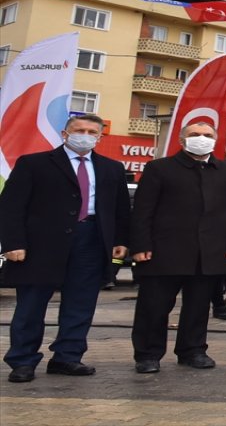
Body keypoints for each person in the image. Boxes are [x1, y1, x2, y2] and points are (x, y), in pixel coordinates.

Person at [1, 114, 130, 383]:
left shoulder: (112, 168)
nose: (85, 135)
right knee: (31, 305)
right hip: (41, 245)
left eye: (92, 131)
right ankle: (22, 361)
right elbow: (11, 206)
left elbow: (120, 210)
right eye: (79, 130)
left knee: (80, 305)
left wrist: (120, 240)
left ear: (99, 136)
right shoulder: (34, 164)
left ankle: (67, 357)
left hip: (91, 241)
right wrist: (13, 243)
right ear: (65, 134)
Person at [130, 122, 226, 373]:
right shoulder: (159, 168)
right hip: (163, 251)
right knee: (155, 306)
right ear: (182, 140)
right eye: (194, 135)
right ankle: (148, 354)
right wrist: (140, 244)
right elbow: (142, 210)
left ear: (215, 140)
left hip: (209, 252)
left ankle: (192, 350)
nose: (201, 139)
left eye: (207, 135)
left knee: (198, 306)